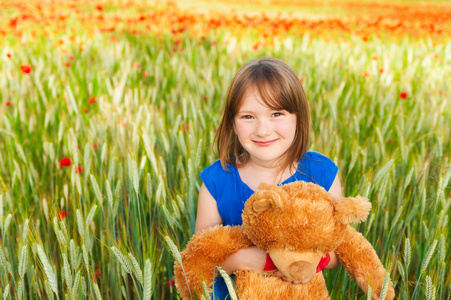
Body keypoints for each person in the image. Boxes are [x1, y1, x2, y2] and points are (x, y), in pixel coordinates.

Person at [195, 57, 342, 299]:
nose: (263, 130)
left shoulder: (321, 173)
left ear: (298, 117)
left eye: (276, 114)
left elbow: (339, 250)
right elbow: (201, 259)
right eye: (248, 117)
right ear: (232, 123)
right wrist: (256, 261)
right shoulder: (216, 181)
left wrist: (309, 263)